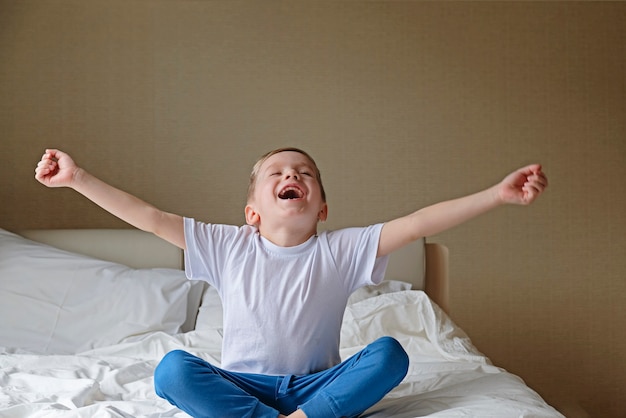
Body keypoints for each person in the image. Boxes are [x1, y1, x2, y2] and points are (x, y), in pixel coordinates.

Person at [35, 147, 548, 418]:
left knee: (391, 353)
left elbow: (418, 224)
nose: (292, 176)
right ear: (252, 211)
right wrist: (77, 178)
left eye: (304, 173)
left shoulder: (341, 250)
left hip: (316, 385)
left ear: (321, 207)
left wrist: (494, 195)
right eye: (277, 172)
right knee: (172, 371)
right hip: (244, 385)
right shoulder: (228, 245)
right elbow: (148, 216)